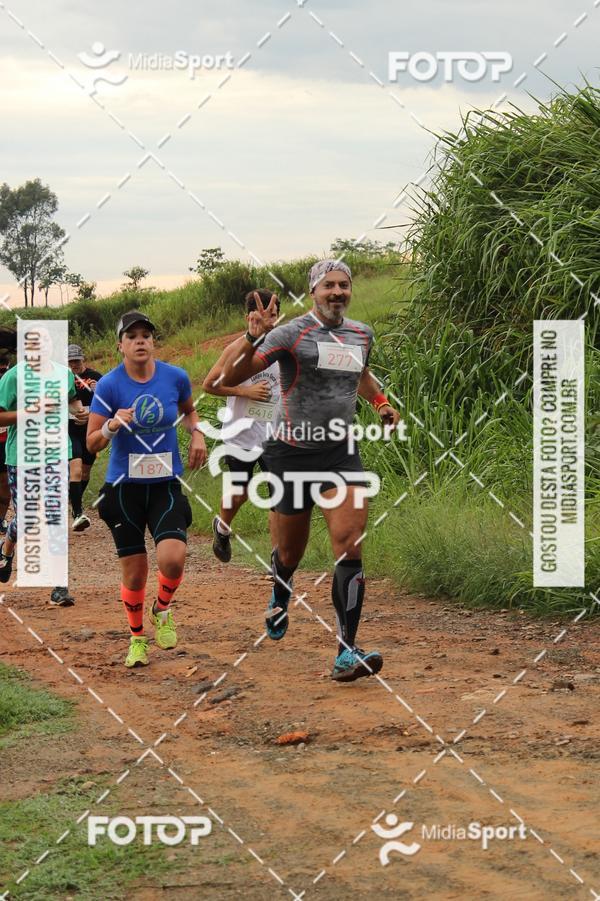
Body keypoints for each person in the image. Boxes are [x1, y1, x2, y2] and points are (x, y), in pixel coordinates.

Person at [211, 260, 401, 682]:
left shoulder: (361, 333)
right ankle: (281, 591)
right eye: (328, 285)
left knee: (350, 544)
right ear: (313, 291)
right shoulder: (288, 333)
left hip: (340, 452)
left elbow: (362, 375)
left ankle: (346, 652)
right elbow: (234, 374)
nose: (337, 292)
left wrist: (381, 403)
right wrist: (251, 338)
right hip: (291, 454)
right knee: (291, 554)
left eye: (344, 285)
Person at [87, 310, 207, 668]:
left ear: (153, 342)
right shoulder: (109, 385)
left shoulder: (175, 377)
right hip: (124, 489)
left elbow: (189, 411)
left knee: (173, 558)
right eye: (132, 336)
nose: (140, 341)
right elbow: (92, 443)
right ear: (120, 345)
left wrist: (197, 432)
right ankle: (137, 637)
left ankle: (163, 610)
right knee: (135, 572)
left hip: (165, 484)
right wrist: (111, 425)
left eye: (146, 335)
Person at [0, 327, 81, 606]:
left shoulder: (63, 374)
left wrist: (79, 413)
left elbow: (72, 400)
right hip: (21, 457)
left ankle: (59, 585)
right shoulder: (12, 378)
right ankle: (7, 548)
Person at [202, 289, 281, 562]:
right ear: (248, 316)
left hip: (276, 436)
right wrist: (245, 392)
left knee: (279, 499)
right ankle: (222, 528)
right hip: (241, 435)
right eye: (261, 312)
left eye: (273, 312)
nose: (268, 318)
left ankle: (277, 562)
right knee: (240, 493)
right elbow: (209, 385)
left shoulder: (286, 347)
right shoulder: (236, 349)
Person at [67, 344, 103, 531]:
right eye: (70, 360)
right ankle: (78, 512)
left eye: (76, 360)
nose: (74, 364)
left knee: (86, 472)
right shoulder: (62, 378)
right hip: (69, 429)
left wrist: (91, 414)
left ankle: (74, 499)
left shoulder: (96, 377)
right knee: (76, 469)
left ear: (83, 359)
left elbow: (107, 403)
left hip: (90, 429)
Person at [0, 352, 14, 535]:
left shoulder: (12, 385)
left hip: (5, 442)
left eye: (4, 370)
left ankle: (1, 519)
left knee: (4, 486)